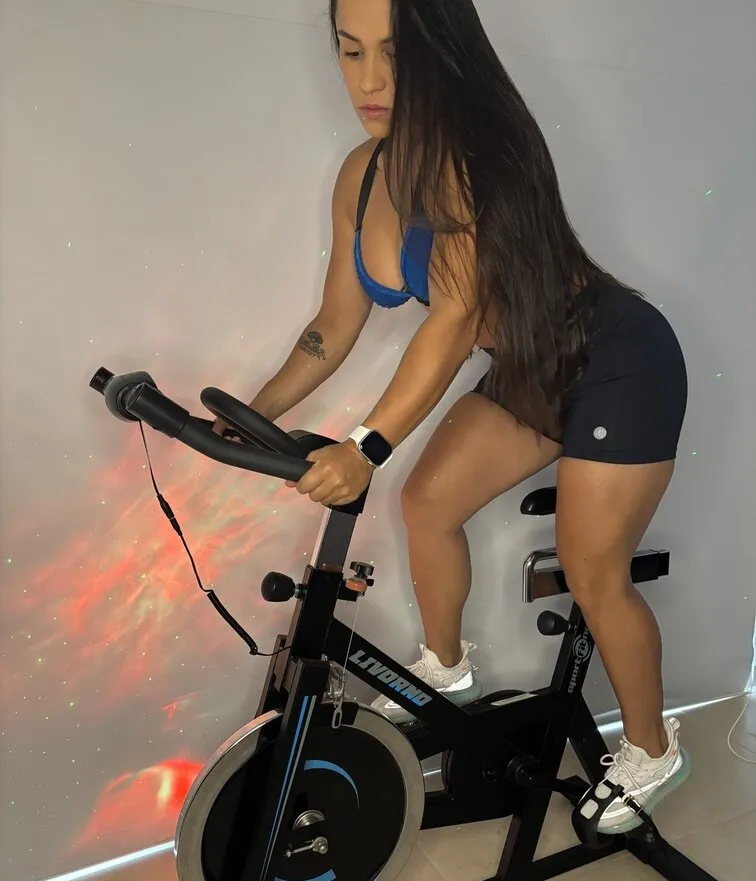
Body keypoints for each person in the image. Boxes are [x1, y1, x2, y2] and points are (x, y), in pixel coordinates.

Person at [215, 0, 691, 834]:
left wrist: (365, 445)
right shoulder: (362, 175)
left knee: (592, 569)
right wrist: (252, 413)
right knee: (428, 502)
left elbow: (455, 319)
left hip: (616, 357)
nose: (370, 80)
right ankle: (445, 670)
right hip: (530, 370)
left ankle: (653, 749)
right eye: (350, 51)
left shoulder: (472, 157)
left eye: (395, 55)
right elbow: (333, 326)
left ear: (440, 52)